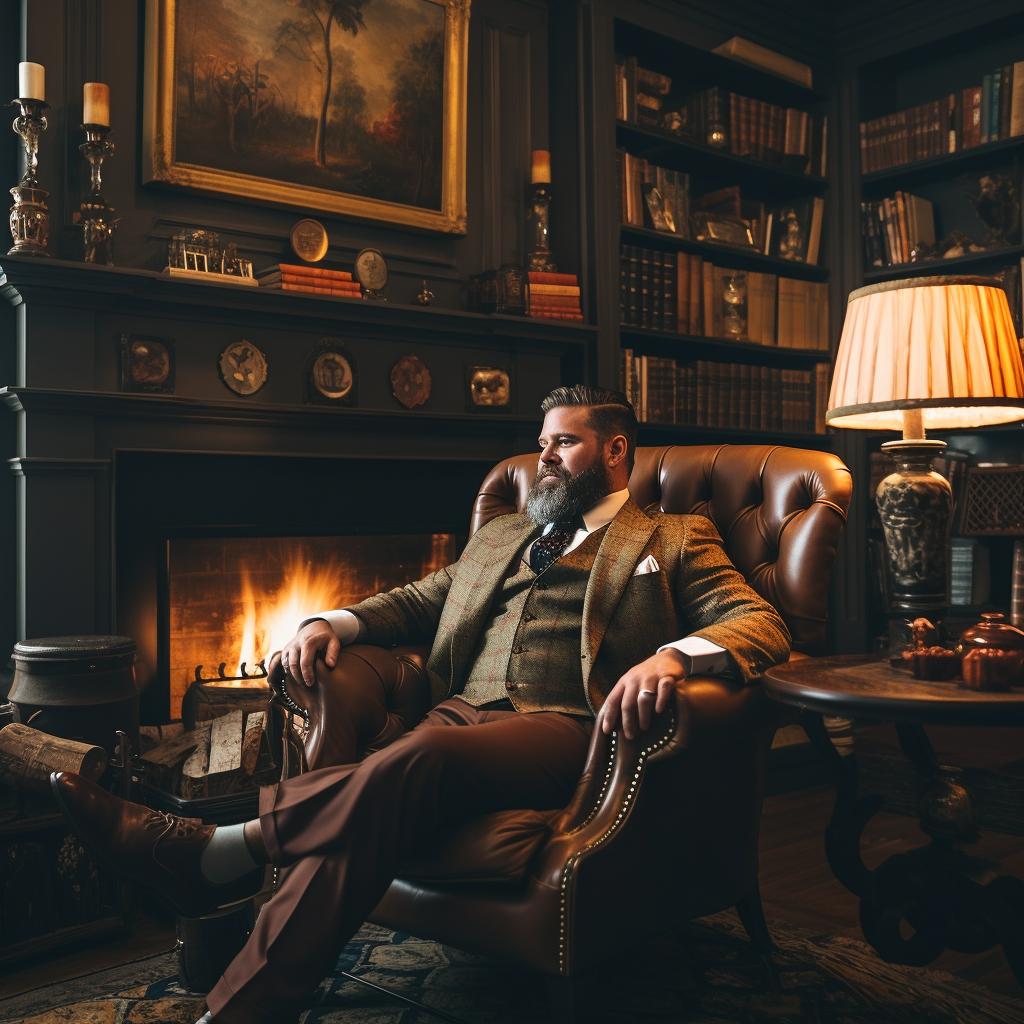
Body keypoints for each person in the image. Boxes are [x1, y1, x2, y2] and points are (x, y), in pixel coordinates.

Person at [51, 385, 790, 1024]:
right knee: (391, 784)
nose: (545, 458)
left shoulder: (674, 535)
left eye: (565, 442)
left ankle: (222, 850)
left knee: (417, 754)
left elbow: (760, 623)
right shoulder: (503, 533)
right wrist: (326, 624)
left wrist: (671, 656)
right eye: (542, 444)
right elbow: (416, 602)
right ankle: (240, 1007)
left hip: (568, 727)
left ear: (616, 450)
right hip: (459, 714)